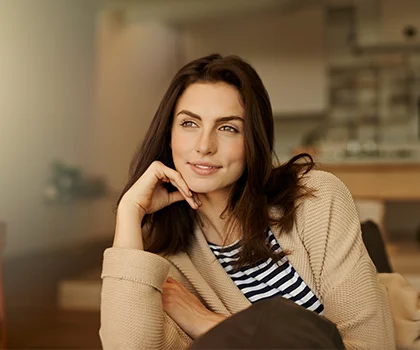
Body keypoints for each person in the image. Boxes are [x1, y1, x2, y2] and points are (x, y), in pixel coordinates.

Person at [100, 54, 401, 350]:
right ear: (169, 135)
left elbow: (372, 345)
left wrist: (207, 322)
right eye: (189, 124)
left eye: (228, 128)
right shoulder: (159, 258)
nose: (204, 146)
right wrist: (129, 212)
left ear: (253, 140)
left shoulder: (316, 198)